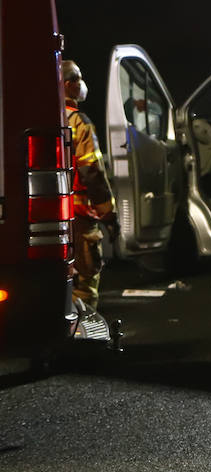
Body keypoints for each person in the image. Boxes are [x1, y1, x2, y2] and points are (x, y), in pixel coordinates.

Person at [62, 59, 116, 310]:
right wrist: (109, 214)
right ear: (67, 85)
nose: (81, 84)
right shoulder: (78, 122)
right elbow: (92, 172)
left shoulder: (40, 117)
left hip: (48, 221)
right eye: (77, 79)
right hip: (80, 219)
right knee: (84, 285)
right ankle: (82, 331)